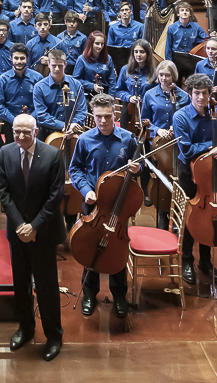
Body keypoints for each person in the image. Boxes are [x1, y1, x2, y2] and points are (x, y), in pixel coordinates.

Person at [0, 113, 64, 361]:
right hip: (17, 232)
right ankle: (25, 329)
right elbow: (3, 193)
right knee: (20, 285)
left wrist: (34, 226)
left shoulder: (52, 154)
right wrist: (20, 226)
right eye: (17, 132)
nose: (21, 136)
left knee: (46, 287)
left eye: (26, 131)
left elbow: (55, 196)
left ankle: (54, 335)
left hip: (43, 233)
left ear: (36, 131)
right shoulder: (5, 153)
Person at [69, 93, 139, 318]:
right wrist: (86, 189)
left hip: (119, 205)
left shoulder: (128, 139)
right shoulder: (85, 140)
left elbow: (141, 165)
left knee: (116, 249)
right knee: (91, 247)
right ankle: (90, 293)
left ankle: (119, 294)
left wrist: (138, 169)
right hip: (94, 203)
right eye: (98, 117)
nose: (103, 121)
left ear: (115, 114)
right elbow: (76, 169)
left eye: (107, 116)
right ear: (93, 116)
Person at [172, 73, 217, 285]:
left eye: (204, 94)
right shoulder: (180, 117)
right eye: (196, 93)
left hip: (214, 172)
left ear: (209, 94)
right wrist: (211, 146)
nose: (200, 98)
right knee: (191, 215)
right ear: (189, 94)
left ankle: (205, 261)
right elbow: (187, 150)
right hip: (190, 172)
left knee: (211, 214)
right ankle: (186, 259)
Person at [140, 60, 189, 228]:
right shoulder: (150, 95)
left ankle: (178, 212)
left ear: (173, 76)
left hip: (179, 143)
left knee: (180, 177)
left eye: (167, 75)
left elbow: (189, 118)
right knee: (163, 177)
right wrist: (156, 129)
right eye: (161, 75)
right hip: (158, 143)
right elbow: (143, 121)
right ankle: (162, 211)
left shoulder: (183, 96)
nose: (163, 78)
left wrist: (178, 128)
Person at [33, 48, 87, 141]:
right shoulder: (39, 87)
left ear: (65, 64)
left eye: (60, 66)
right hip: (47, 134)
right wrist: (63, 125)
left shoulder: (77, 85)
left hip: (72, 133)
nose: (57, 69)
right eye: (54, 65)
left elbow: (81, 111)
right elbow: (42, 116)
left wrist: (73, 125)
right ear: (48, 64)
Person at [0, 43, 44, 126]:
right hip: (10, 123)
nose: (19, 61)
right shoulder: (3, 79)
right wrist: (15, 120)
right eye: (16, 58)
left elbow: (42, 104)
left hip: (33, 123)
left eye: (22, 58)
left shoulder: (37, 78)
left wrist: (30, 119)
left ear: (27, 59)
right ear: (11, 58)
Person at [116, 39, 157, 128]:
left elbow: (157, 93)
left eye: (142, 52)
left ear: (148, 54)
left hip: (147, 109)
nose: (138, 55)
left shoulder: (154, 72)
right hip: (128, 109)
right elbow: (119, 90)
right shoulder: (125, 70)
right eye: (136, 52)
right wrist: (129, 97)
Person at [73, 30, 117, 99]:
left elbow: (112, 81)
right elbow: (76, 79)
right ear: (91, 43)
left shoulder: (108, 58)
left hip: (104, 95)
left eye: (102, 44)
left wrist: (111, 99)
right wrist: (92, 86)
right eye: (97, 43)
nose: (100, 46)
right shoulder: (82, 59)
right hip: (87, 95)